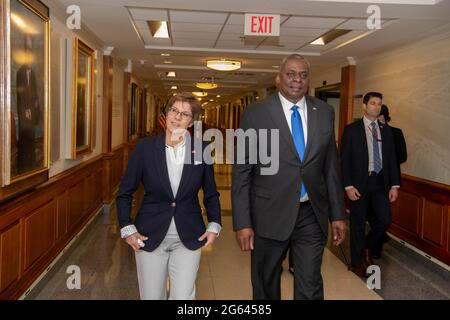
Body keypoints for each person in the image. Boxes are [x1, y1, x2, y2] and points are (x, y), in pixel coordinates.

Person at [232, 54, 346, 300]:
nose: (298, 80)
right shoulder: (256, 113)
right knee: (266, 282)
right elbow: (242, 171)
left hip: (311, 214)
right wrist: (242, 222)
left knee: (310, 282)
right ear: (278, 78)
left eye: (304, 75)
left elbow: (331, 167)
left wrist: (337, 213)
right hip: (268, 213)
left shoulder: (324, 112)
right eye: (291, 74)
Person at [116, 92, 221, 300]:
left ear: (192, 121)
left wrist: (214, 224)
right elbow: (125, 192)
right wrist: (127, 228)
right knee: (152, 297)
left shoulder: (201, 149)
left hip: (189, 236)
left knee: (183, 297)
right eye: (174, 110)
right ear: (166, 113)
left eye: (185, 114)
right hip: (149, 235)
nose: (177, 117)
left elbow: (210, 193)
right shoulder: (145, 148)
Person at [340, 92, 400, 277]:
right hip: (359, 184)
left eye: (379, 104)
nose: (376, 107)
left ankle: (366, 247)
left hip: (380, 183)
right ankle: (357, 262)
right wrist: (348, 186)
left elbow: (392, 159)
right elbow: (344, 160)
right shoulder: (352, 129)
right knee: (357, 223)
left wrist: (395, 185)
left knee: (384, 220)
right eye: (373, 103)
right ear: (364, 106)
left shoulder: (385, 130)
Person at [367, 104, 407, 258]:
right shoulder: (368, 131)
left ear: (385, 116)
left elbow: (403, 156)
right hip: (370, 180)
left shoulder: (395, 133)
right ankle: (379, 239)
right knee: (371, 215)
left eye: (379, 115)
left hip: (388, 181)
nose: (377, 119)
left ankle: (373, 249)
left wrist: (388, 161)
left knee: (382, 217)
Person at [16, 35, 41, 174]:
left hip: (32, 111)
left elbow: (35, 92)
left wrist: (36, 107)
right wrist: (26, 110)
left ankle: (31, 165)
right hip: (24, 112)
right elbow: (21, 95)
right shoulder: (20, 72)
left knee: (31, 139)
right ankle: (23, 166)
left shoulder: (33, 74)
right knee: (24, 140)